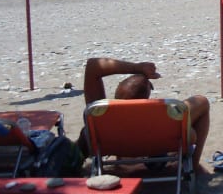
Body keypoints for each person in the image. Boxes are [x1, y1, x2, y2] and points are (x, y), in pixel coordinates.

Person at [77, 58, 211, 174]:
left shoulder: (100, 115)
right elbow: (202, 101)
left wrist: (137, 67)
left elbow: (93, 66)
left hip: (115, 147)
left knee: (87, 132)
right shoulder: (162, 120)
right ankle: (192, 168)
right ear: (146, 98)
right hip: (155, 146)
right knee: (189, 131)